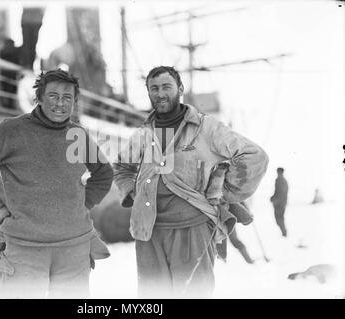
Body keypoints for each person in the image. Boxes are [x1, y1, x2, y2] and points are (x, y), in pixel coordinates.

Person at [0, 69, 113, 298]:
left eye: (67, 98)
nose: (60, 104)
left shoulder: (78, 135)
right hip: (25, 248)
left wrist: (81, 206)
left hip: (74, 249)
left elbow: (104, 173)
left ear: (75, 102)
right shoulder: (13, 131)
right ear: (39, 98)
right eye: (53, 96)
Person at [113, 66, 269, 298]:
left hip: (192, 228)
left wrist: (224, 191)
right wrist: (133, 193)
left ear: (180, 89)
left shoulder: (206, 127)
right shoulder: (144, 133)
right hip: (148, 231)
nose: (160, 93)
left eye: (166, 87)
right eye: (154, 88)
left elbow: (255, 156)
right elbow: (122, 166)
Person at [270, 167, 289, 237]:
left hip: (280, 204)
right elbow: (277, 192)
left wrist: (275, 199)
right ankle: (284, 233)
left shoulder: (281, 181)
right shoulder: (280, 180)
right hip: (280, 203)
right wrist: (273, 197)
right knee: (279, 219)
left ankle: (284, 233)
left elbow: (281, 193)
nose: (277, 173)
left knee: (279, 219)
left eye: (278, 172)